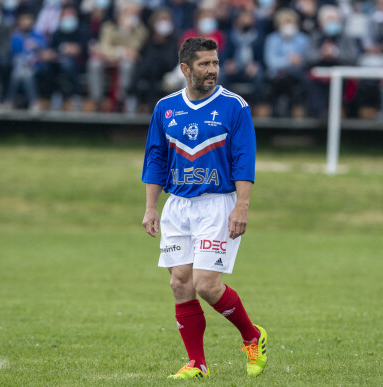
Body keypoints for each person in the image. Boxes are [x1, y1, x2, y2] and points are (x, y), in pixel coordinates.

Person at [141, 37, 267, 380]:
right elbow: (155, 158)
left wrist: (241, 207)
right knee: (180, 284)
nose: (212, 70)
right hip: (177, 206)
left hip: (217, 204)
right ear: (185, 69)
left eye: (214, 63)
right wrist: (151, 207)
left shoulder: (234, 106)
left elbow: (245, 159)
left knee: (207, 284)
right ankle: (196, 363)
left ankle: (252, 336)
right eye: (204, 64)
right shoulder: (165, 108)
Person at [263, 8, 309, 117]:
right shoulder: (272, 39)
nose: (289, 26)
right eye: (286, 23)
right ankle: (275, 113)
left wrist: (295, 62)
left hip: (296, 75)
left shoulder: (303, 39)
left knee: (294, 81)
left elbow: (305, 60)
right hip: (275, 75)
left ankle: (293, 113)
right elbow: (271, 62)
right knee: (277, 81)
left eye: (291, 23)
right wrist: (289, 61)